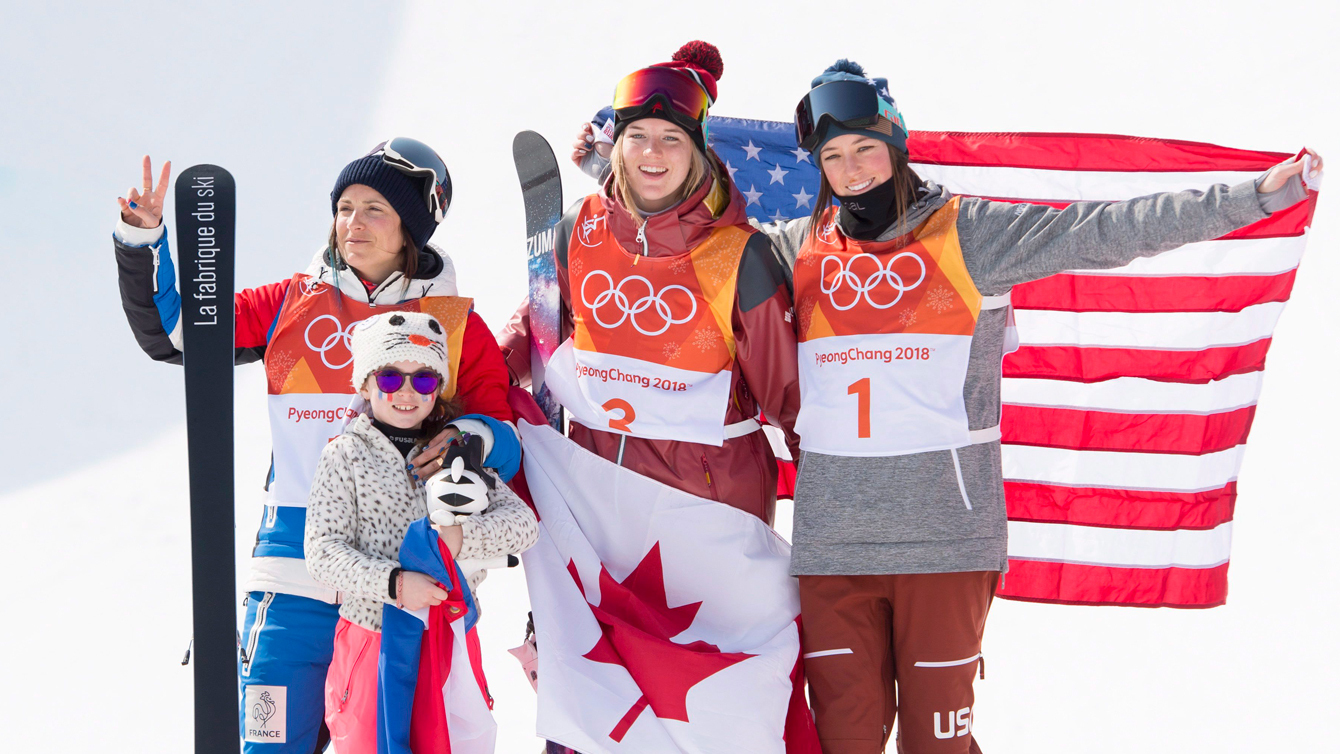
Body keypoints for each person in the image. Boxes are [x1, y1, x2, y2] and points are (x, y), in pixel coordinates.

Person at [755, 60, 1319, 754]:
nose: (851, 169)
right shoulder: (793, 249)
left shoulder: (971, 234)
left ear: (897, 144)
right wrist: (625, 162)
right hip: (832, 548)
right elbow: (693, 264)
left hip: (945, 545)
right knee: (840, 744)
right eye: (832, 157)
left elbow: (1104, 229)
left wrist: (1252, 198)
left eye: (865, 148)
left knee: (938, 747)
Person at [113, 139, 521, 753]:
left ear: (411, 226)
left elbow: (504, 430)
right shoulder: (293, 302)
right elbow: (180, 332)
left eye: (374, 209)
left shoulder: (454, 324)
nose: (352, 223)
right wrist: (145, 242)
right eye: (345, 206)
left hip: (400, 577)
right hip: (293, 570)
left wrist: (467, 439)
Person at [499, 41, 801, 525]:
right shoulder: (581, 227)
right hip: (595, 495)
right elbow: (538, 327)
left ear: (698, 148)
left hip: (710, 508)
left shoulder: (740, 256)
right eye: (637, 135)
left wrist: (832, 511)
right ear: (617, 145)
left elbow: (791, 399)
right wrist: (472, 383)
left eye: (672, 138)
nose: (652, 152)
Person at [305, 310, 537, 753]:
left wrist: (462, 540)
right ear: (366, 384)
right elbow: (322, 551)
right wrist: (393, 584)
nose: (407, 393)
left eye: (424, 380)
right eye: (391, 378)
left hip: (449, 634)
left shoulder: (460, 453)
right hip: (374, 639)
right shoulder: (345, 455)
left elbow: (523, 525)